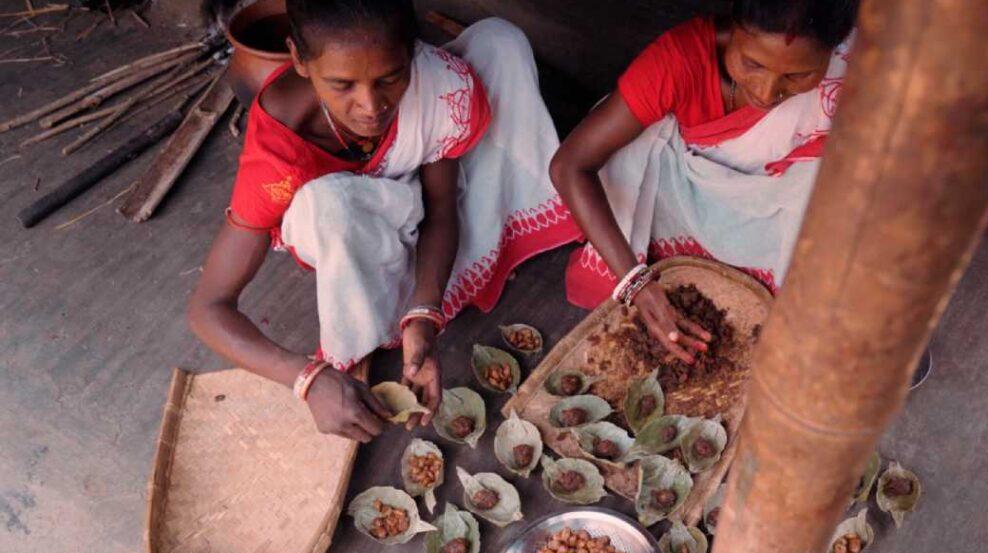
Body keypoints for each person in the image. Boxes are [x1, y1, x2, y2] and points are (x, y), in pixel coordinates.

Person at [188, 0, 580, 442]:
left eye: (390, 78)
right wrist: (307, 378)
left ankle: (417, 290)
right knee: (328, 205)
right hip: (346, 220)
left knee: (500, 42)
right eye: (342, 85)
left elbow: (440, 209)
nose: (371, 106)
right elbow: (208, 308)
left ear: (412, 52)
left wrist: (423, 317)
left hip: (416, 194)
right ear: (298, 58)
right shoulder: (281, 141)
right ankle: (369, 306)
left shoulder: (434, 89)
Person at [550, 0, 859, 364]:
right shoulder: (678, 60)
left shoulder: (855, 65)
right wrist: (637, 284)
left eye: (797, 76)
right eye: (752, 64)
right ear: (734, 25)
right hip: (688, 194)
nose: (765, 91)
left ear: (835, 50)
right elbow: (569, 165)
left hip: (778, 196)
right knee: (626, 154)